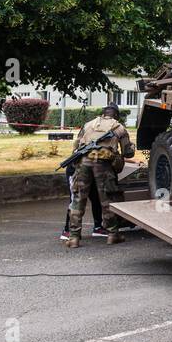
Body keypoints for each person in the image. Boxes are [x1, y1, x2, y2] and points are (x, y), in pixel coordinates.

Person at [64, 104, 133, 248]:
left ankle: (74, 237)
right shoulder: (118, 127)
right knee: (108, 199)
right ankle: (113, 234)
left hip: (83, 164)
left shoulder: (89, 125)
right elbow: (128, 152)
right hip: (104, 166)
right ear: (116, 115)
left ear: (103, 114)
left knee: (78, 199)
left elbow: (76, 147)